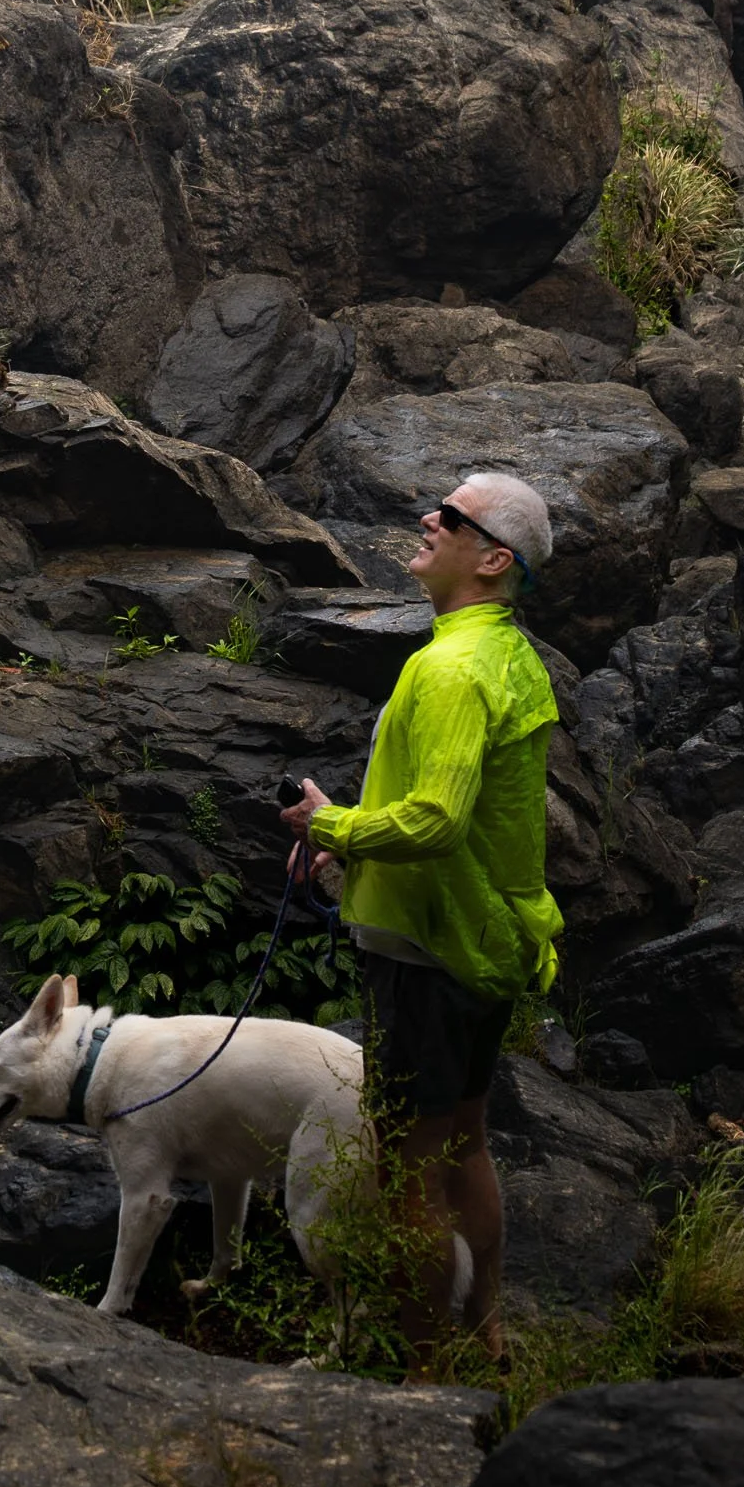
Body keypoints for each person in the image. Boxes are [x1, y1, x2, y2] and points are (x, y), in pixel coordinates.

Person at [279, 470, 563, 1374]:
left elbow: (434, 821)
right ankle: (483, 1334)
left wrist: (330, 826)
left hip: (424, 955)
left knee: (405, 1172)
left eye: (450, 515)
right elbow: (471, 819)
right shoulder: (510, 656)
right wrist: (352, 850)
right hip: (488, 944)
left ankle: (424, 1372)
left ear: (491, 559)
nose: (426, 520)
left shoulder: (445, 667)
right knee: (465, 1145)